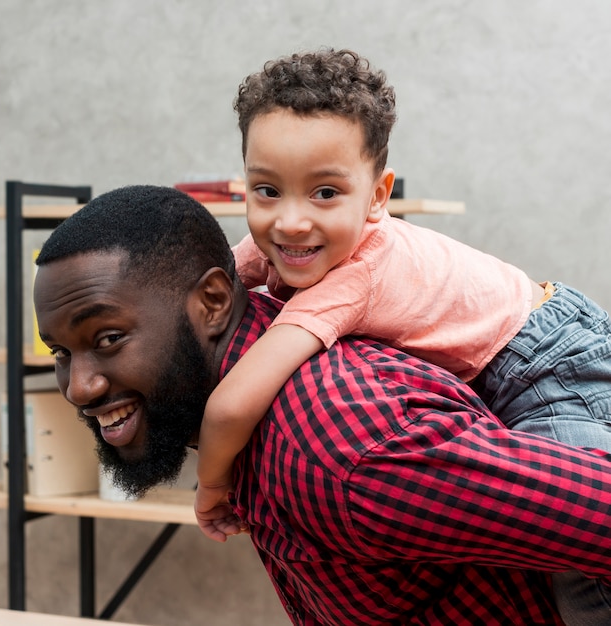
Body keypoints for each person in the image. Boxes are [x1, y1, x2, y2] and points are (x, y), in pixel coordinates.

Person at [34, 184, 611, 625]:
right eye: (61, 352)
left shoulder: (339, 446)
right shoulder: (255, 408)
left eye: (108, 339)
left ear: (212, 301)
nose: (79, 387)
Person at [194, 49, 611, 624]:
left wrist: (213, 487)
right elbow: (207, 290)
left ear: (378, 196)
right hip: (500, 363)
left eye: (324, 194)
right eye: (267, 191)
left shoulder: (355, 275)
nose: (290, 221)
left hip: (549, 363)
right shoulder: (285, 247)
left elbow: (232, 405)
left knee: (583, 568)